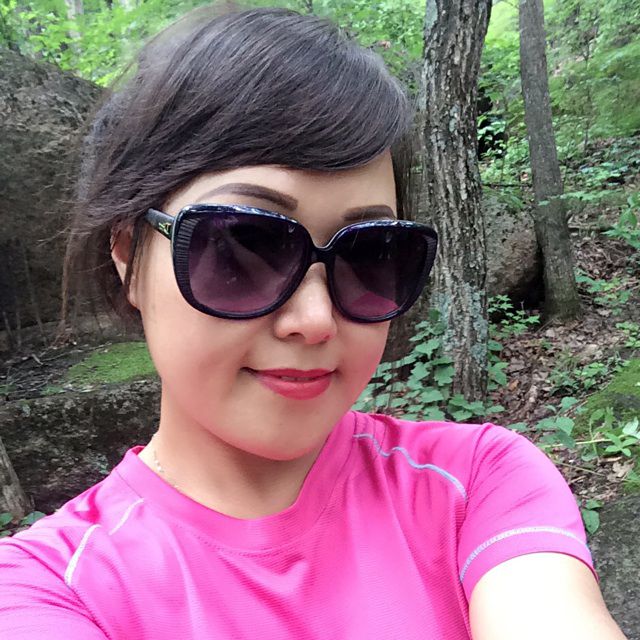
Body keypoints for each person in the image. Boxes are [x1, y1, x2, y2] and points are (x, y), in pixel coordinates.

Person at [0, 5, 627, 640]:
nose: (316, 319)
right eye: (241, 247)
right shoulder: (46, 590)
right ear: (129, 255)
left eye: (371, 253)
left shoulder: (477, 483)